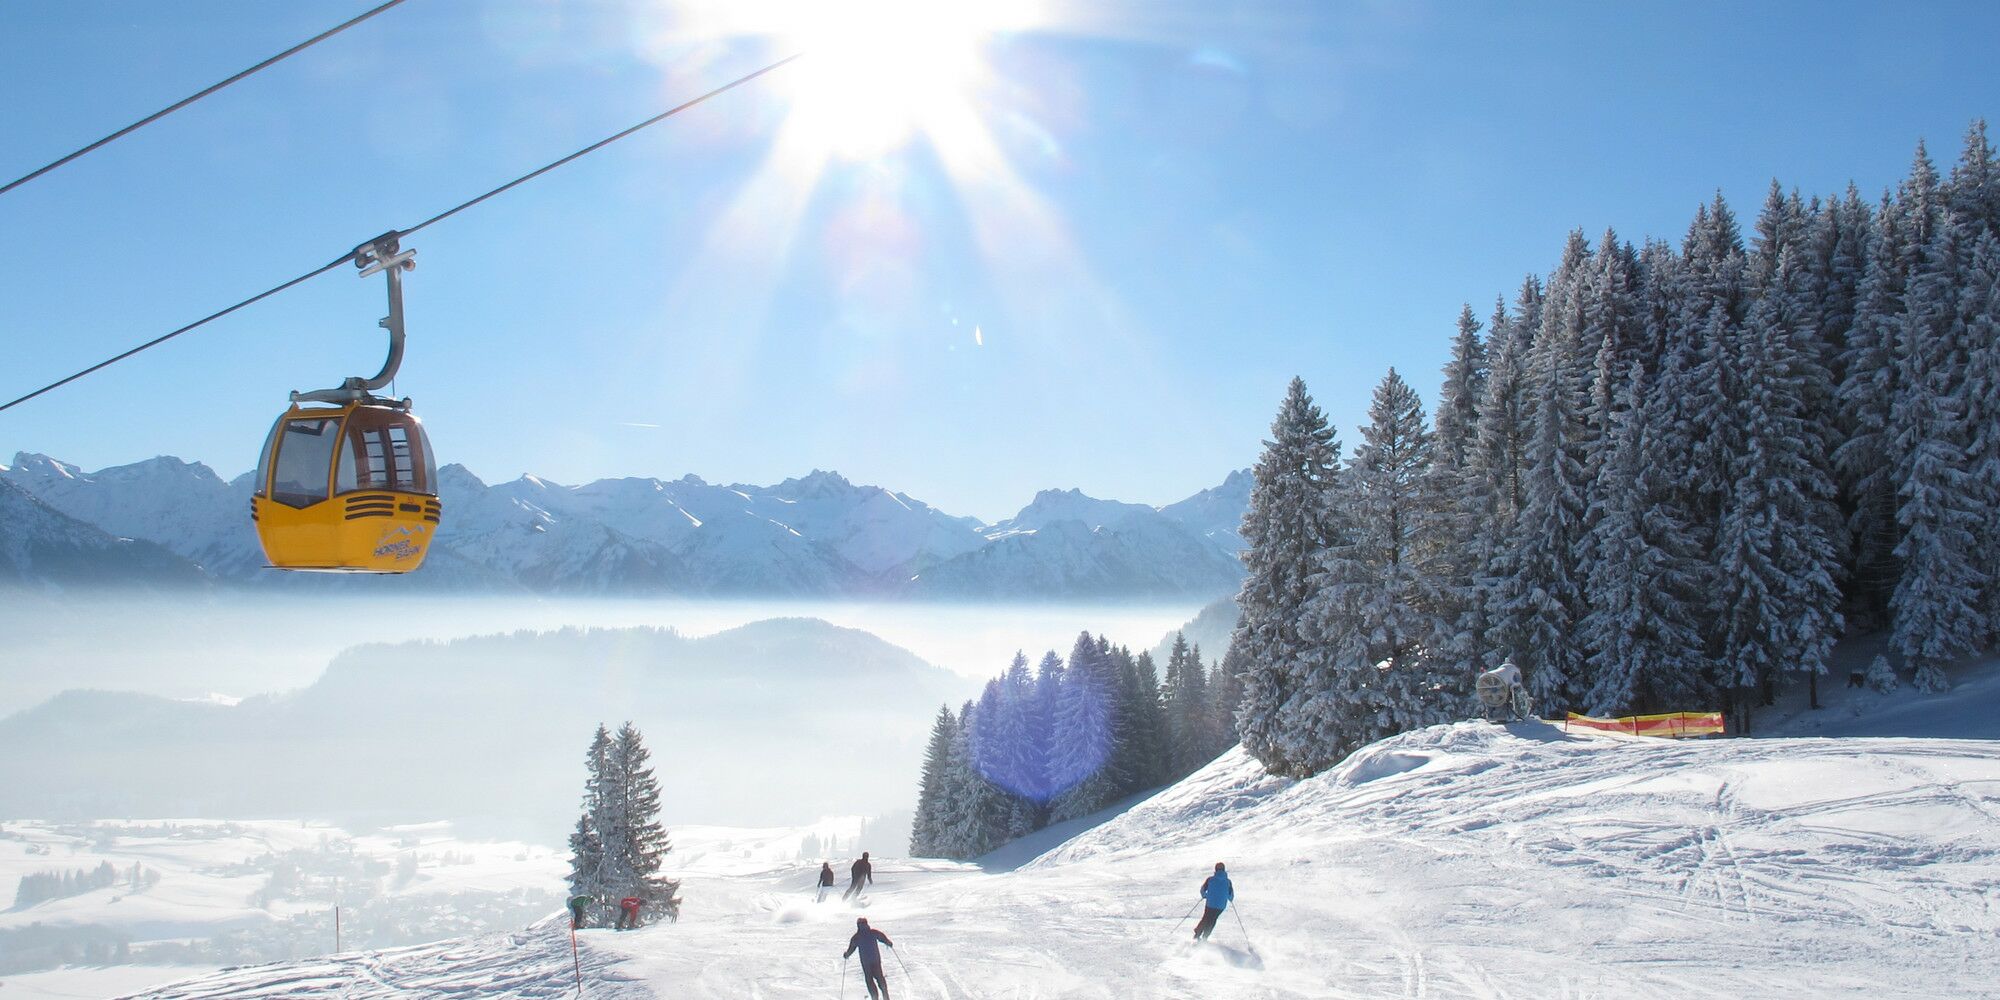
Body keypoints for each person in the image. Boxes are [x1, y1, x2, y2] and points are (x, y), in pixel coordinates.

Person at [842, 916, 895, 999]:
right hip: (876, 960)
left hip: (866, 963)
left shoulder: (856, 937)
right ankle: (885, 995)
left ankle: (874, 997)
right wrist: (888, 942)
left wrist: (847, 954)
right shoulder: (873, 932)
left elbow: (852, 948)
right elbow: (882, 937)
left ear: (858, 925)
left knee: (869, 980)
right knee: (879, 977)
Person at [1192, 862, 1233, 942]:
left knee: (1206, 917)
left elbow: (1203, 890)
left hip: (1210, 903)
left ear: (1216, 869)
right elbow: (1231, 896)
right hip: (1220, 906)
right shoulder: (1228, 882)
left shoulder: (1210, 879)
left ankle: (1197, 933)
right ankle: (1205, 936)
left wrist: (1205, 895)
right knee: (1213, 919)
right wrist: (1229, 898)